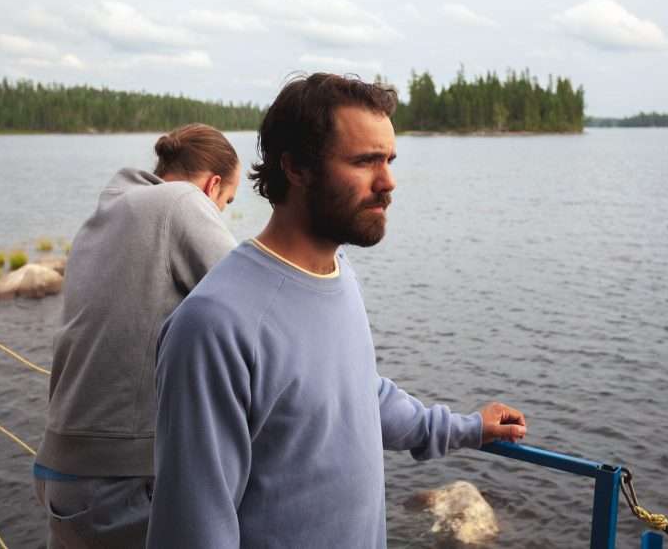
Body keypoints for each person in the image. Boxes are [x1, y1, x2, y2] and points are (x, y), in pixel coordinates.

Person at [148, 74, 526, 548]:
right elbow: (192, 528)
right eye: (365, 161)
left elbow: (356, 395)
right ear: (297, 168)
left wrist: (466, 429)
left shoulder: (338, 274)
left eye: (388, 159)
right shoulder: (214, 325)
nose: (388, 182)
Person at [34, 123, 241, 549]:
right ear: (212, 185)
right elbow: (253, 301)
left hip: (63, 470)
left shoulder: (110, 212)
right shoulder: (182, 200)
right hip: (117, 481)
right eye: (227, 203)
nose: (219, 215)